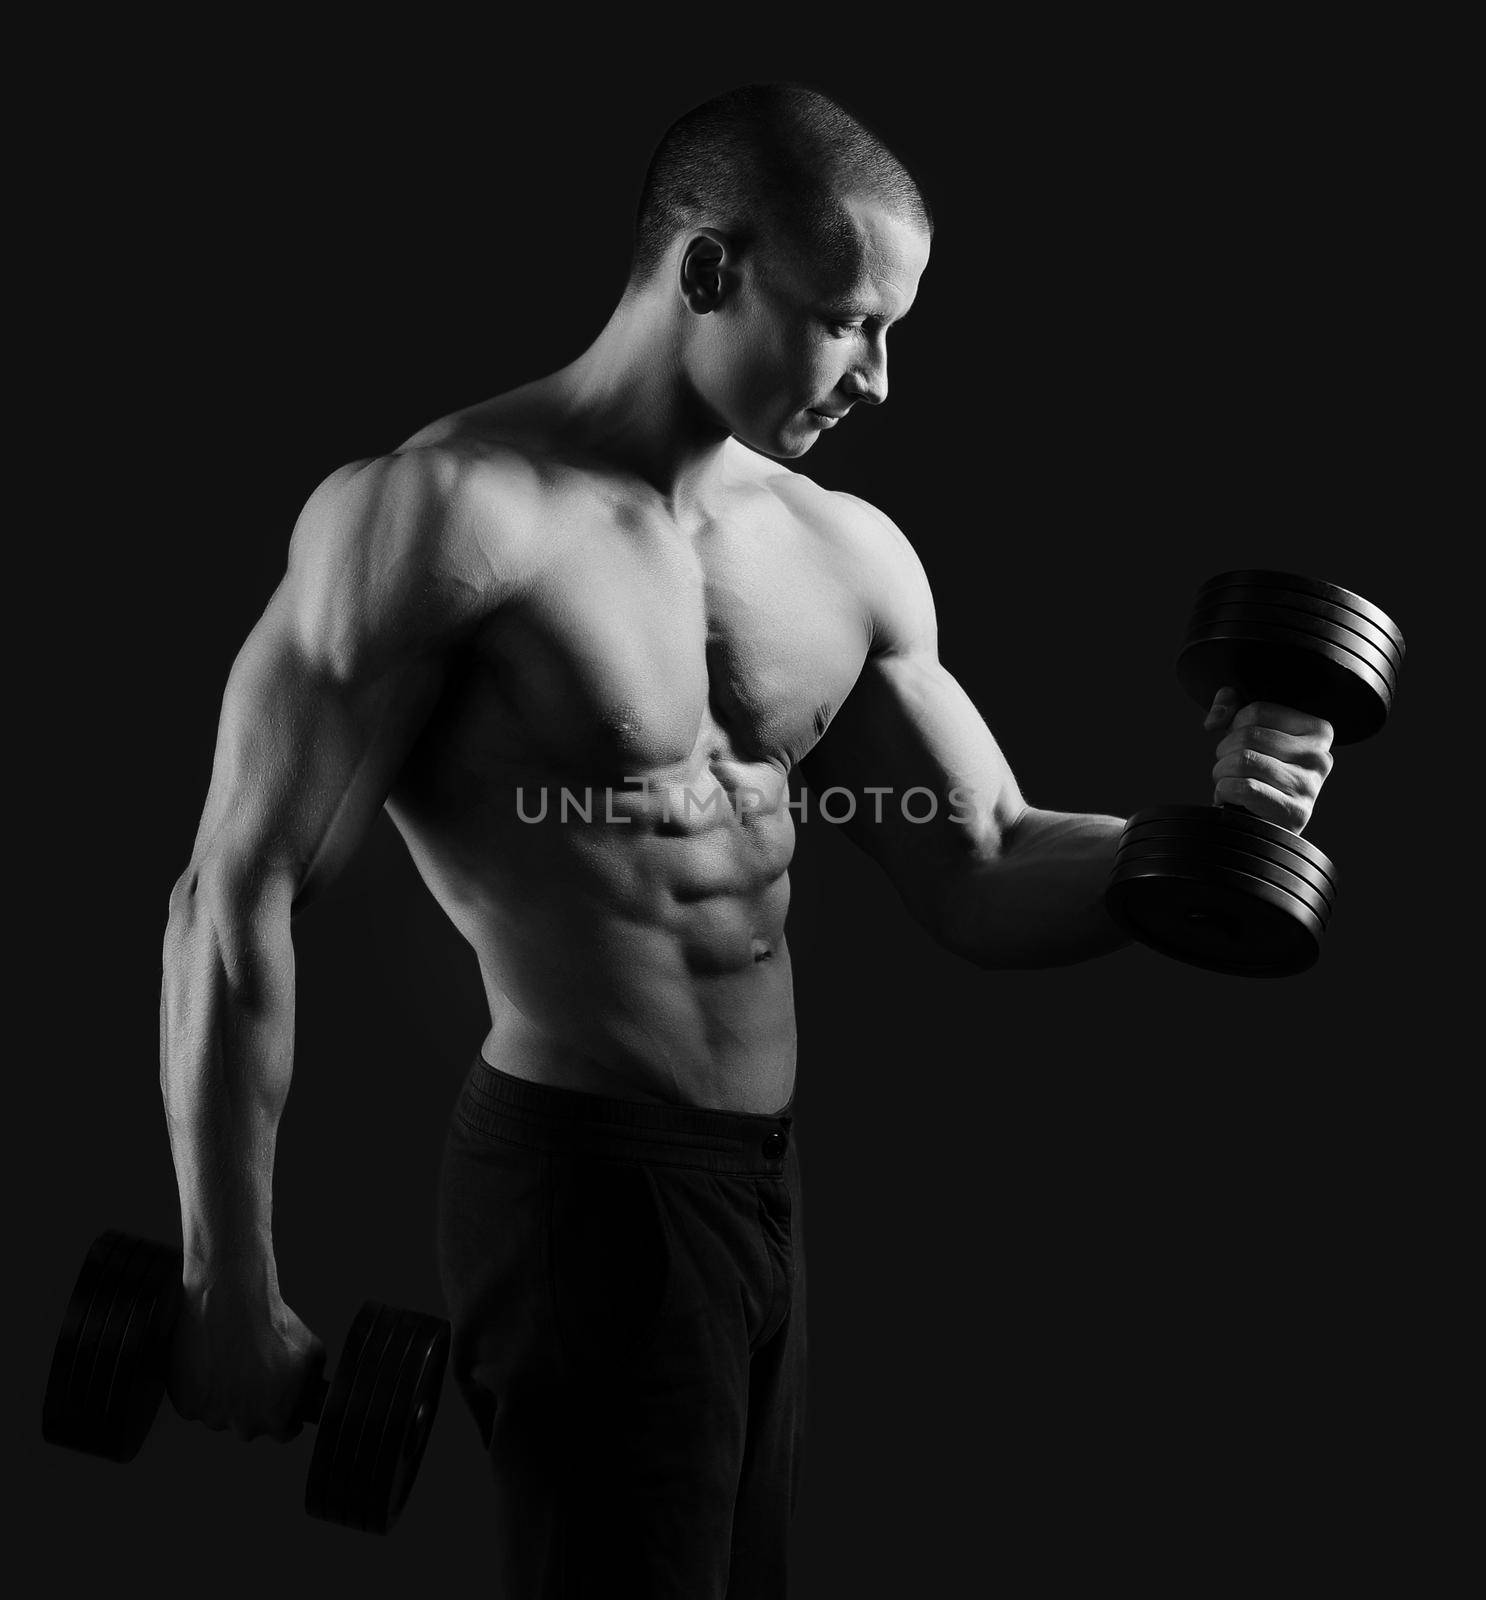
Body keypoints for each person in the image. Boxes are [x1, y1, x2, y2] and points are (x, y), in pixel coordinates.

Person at [158, 83, 1334, 1596]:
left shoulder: (844, 554)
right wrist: (225, 1282)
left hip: (755, 1189)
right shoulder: (438, 519)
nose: (880, 378)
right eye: (849, 320)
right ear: (705, 269)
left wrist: (1214, 838)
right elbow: (234, 893)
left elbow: (978, 859)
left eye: (894, 329)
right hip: (582, 1184)